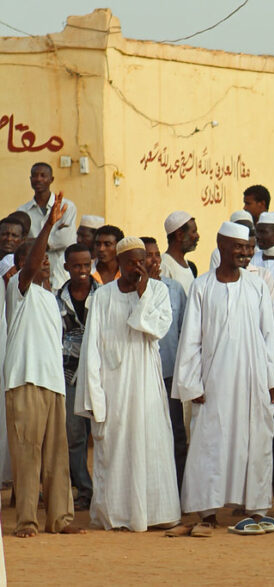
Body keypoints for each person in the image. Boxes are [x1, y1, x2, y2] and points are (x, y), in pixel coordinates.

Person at [172, 222, 274, 537]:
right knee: (210, 441)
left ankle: (256, 507)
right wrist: (192, 384)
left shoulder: (257, 285)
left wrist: (273, 379)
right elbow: (191, 340)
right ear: (221, 245)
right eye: (238, 247)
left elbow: (268, 336)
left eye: (248, 248)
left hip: (253, 379)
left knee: (256, 440)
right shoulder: (202, 286)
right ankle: (207, 509)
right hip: (214, 382)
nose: (244, 253)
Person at [75, 237, 180, 531]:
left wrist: (143, 293)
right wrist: (94, 396)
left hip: (145, 383)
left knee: (151, 443)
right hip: (113, 387)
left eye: (142, 261)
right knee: (115, 449)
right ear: (119, 263)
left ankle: (156, 513)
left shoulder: (158, 291)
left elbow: (156, 328)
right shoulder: (102, 296)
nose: (139, 266)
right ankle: (117, 515)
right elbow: (91, 348)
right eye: (132, 261)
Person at [4, 194, 84, 538]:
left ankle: (60, 519)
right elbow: (33, 264)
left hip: (52, 383)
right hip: (25, 379)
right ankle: (26, 521)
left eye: (48, 264)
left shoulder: (52, 299)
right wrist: (50, 224)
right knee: (27, 454)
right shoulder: (17, 289)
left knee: (57, 458)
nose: (45, 266)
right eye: (35, 262)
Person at [143, 237, 188, 491]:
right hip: (144, 376)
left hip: (170, 373)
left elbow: (183, 332)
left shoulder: (175, 289)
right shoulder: (131, 291)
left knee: (176, 435)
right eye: (148, 255)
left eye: (157, 255)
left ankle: (178, 490)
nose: (154, 260)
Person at [57, 243, 99, 511]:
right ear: (67, 268)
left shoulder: (105, 294)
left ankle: (107, 490)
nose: (82, 270)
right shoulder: (57, 299)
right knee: (74, 436)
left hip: (101, 373)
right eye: (77, 266)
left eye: (86, 265)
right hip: (70, 374)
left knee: (105, 433)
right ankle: (84, 490)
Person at [18, 162, 78, 290]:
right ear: (30, 180)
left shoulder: (66, 207)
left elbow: (66, 239)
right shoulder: (23, 211)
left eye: (43, 175)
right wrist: (50, 240)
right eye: (34, 176)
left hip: (61, 275)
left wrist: (33, 242)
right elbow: (21, 245)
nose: (38, 179)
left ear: (51, 179)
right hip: (35, 278)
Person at [160, 211, 199, 297]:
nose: (197, 236)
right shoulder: (164, 265)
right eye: (194, 232)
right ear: (180, 235)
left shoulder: (186, 263)